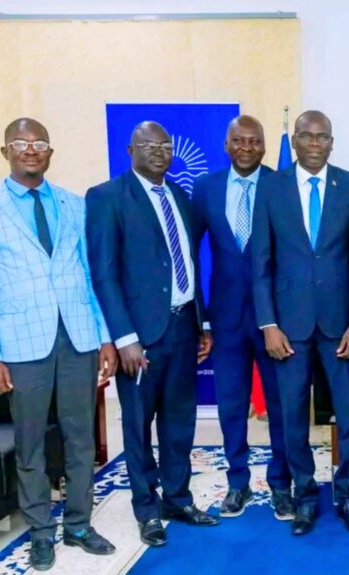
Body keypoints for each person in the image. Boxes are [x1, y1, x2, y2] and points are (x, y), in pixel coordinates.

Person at [0, 118, 118, 570]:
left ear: (50, 152)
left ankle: (79, 524)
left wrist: (104, 336)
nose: (31, 150)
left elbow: (89, 274)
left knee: (81, 437)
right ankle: (41, 532)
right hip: (21, 344)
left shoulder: (72, 204)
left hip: (77, 337)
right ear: (5, 152)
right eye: (21, 143)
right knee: (30, 443)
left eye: (40, 143)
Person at [86, 121, 219, 547]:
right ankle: (146, 510)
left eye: (165, 145)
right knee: (139, 425)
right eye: (149, 145)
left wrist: (201, 321)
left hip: (183, 327)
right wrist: (124, 338)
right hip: (139, 337)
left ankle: (177, 500)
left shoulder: (179, 195)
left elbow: (188, 263)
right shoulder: (107, 197)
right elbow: (104, 273)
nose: (159, 152)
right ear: (130, 150)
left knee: (179, 421)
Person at [251, 110, 349, 536]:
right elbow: (260, 262)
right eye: (307, 136)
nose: (315, 144)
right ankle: (304, 496)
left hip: (341, 325)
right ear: (295, 141)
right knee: (292, 417)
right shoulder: (271, 188)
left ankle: (348, 495)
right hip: (288, 326)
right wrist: (268, 323)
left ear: (332, 142)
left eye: (323, 137)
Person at [191, 115, 294, 519]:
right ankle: (238, 482)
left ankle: (281, 483)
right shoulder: (206, 188)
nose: (247, 147)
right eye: (239, 140)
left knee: (281, 406)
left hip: (276, 320)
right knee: (231, 405)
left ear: (265, 146)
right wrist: (201, 317)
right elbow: (189, 253)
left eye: (254, 141)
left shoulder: (281, 184)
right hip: (226, 318)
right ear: (226, 144)